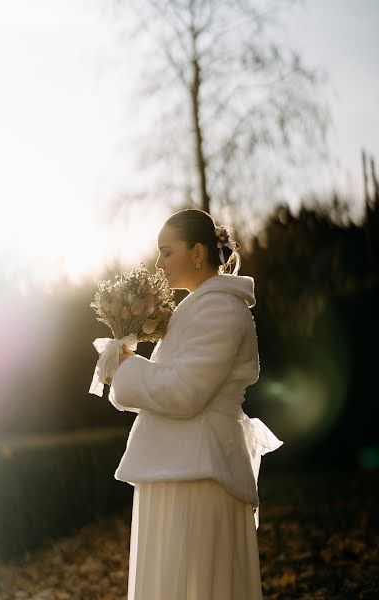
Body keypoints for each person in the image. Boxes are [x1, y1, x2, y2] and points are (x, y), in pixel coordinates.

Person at [108, 208, 283, 600]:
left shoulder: (221, 309)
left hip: (201, 472)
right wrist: (124, 370)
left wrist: (129, 369)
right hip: (177, 468)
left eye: (166, 251)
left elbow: (186, 392)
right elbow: (169, 391)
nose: (158, 263)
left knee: (198, 584)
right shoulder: (196, 309)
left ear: (198, 252)